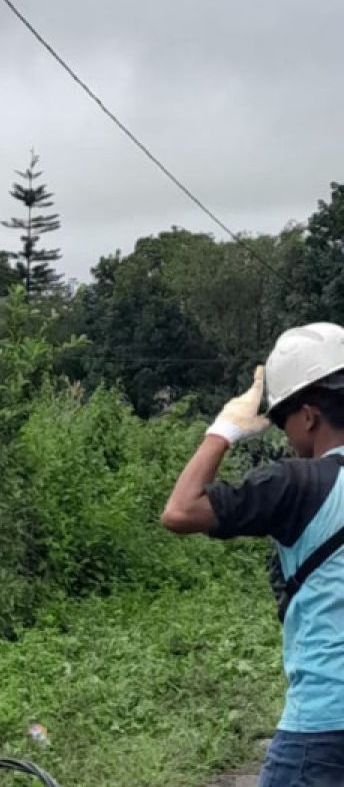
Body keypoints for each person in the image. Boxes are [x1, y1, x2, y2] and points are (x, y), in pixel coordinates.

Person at [161, 323, 344, 787]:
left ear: (307, 416)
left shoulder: (296, 483)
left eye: (282, 420)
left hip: (325, 726)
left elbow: (180, 511)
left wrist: (223, 431)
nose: (285, 435)